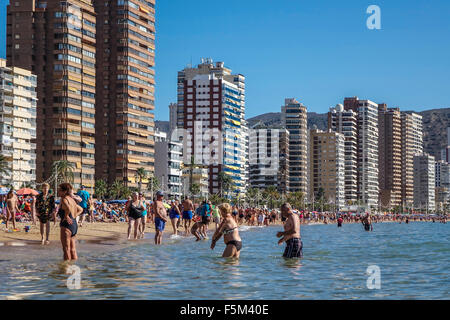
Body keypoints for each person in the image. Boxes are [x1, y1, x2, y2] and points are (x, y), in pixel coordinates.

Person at [58, 183, 83, 261]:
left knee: (66, 249)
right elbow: (81, 209)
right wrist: (74, 216)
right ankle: (74, 268)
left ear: (65, 191)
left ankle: (66, 269)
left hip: (66, 226)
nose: (58, 191)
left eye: (60, 190)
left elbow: (68, 208)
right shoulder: (72, 200)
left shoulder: (64, 199)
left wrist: (66, 216)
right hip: (74, 225)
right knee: (73, 250)